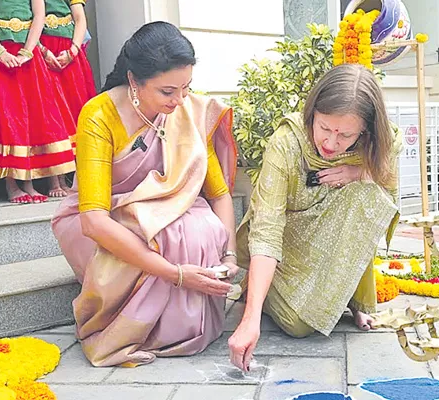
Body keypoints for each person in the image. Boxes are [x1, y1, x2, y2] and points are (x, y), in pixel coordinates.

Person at [51, 21, 240, 367]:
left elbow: (219, 193)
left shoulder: (189, 111)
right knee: (161, 231)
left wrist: (229, 256)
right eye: (167, 92)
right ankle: (136, 329)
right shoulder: (99, 115)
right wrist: (175, 274)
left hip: (169, 205)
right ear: (134, 81)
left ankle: (188, 327)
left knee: (203, 227)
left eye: (186, 88)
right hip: (102, 219)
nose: (180, 101)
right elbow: (93, 220)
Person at [228, 64, 403, 371]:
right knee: (298, 325)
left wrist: (360, 172)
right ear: (312, 113)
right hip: (289, 244)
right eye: (324, 128)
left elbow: (387, 189)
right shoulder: (286, 143)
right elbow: (267, 229)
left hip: (332, 240)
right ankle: (261, 293)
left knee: (367, 195)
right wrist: (249, 319)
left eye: (345, 134)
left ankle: (355, 299)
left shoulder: (379, 143)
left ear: (365, 129)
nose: (331, 143)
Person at [0, 0, 77, 204]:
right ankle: (11, 184)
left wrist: (28, 51)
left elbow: (39, 14)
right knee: (5, 115)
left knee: (32, 114)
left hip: (26, 54)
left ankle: (29, 182)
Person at [39, 0, 96, 197]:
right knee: (50, 113)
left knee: (76, 112)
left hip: (69, 53)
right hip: (42, 51)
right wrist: (41, 50)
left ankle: (84, 177)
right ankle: (55, 180)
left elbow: (80, 19)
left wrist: (73, 50)